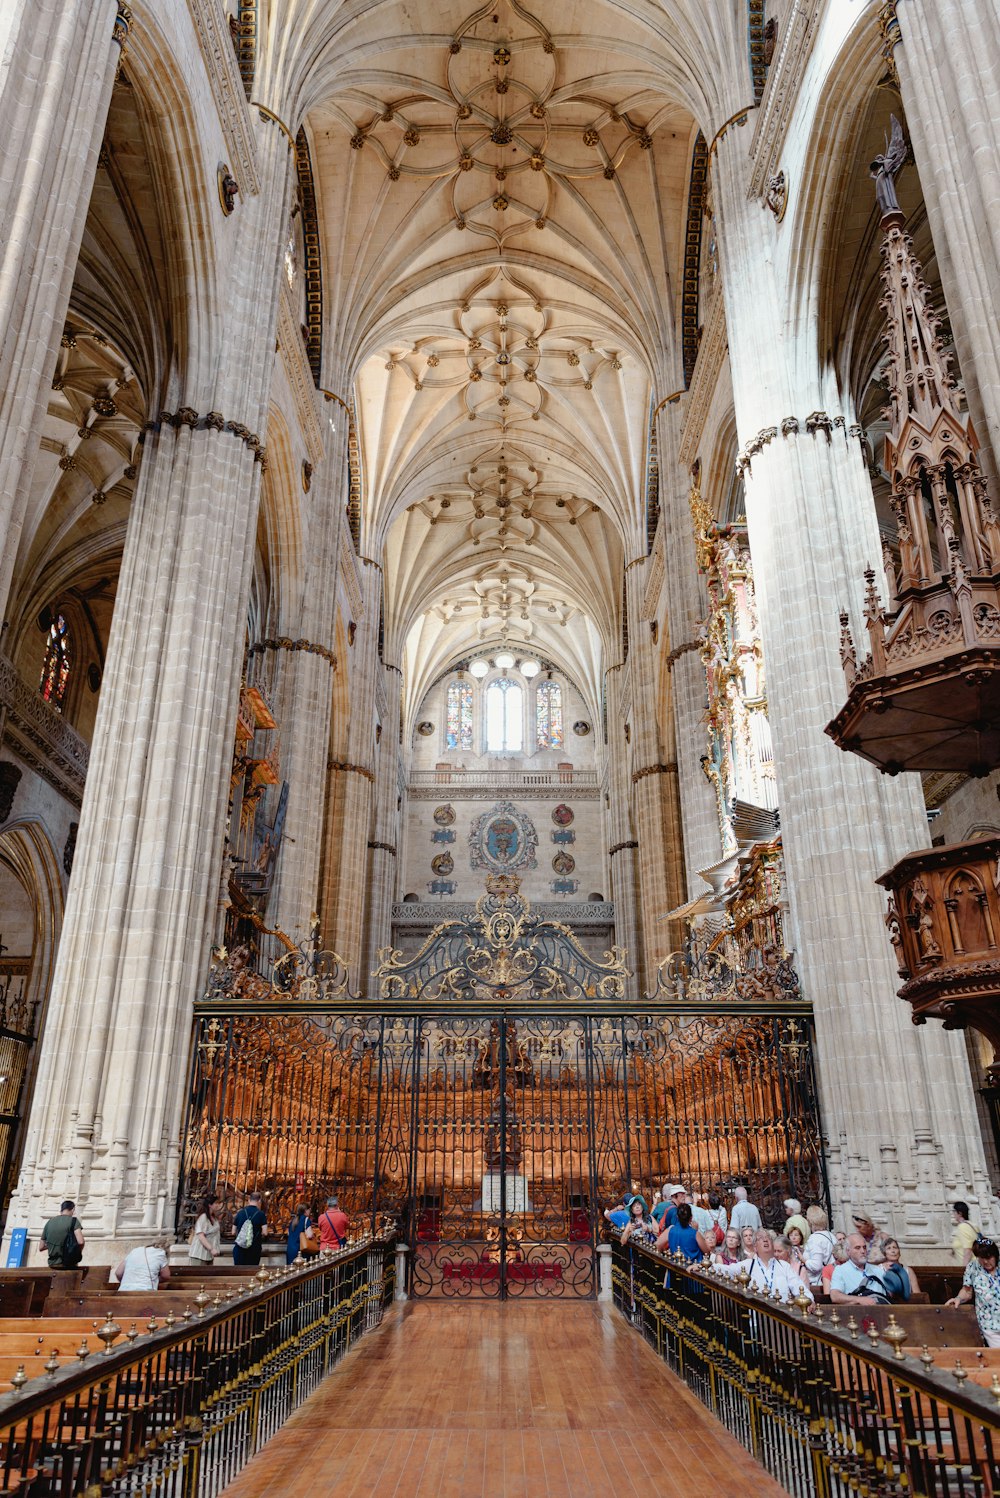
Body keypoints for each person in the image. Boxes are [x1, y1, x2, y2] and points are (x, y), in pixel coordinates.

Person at [718, 1229, 813, 1304]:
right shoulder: (748, 1265)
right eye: (760, 1238)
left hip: (782, 1318)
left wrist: (810, 1300)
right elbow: (726, 1270)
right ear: (755, 1247)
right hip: (758, 1319)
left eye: (768, 1237)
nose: (765, 1240)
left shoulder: (784, 1266)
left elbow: (799, 1287)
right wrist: (705, 1264)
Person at [947, 1237, 1000, 1345]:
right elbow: (967, 1291)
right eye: (981, 1258)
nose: (985, 1261)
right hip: (990, 1325)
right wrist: (958, 1298)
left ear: (995, 1255)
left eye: (988, 1257)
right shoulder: (973, 1268)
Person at [830, 1233, 889, 1304]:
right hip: (856, 1312)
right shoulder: (841, 1271)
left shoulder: (878, 1270)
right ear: (848, 1251)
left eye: (864, 1247)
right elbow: (835, 1296)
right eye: (857, 1248)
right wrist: (859, 1300)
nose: (863, 1251)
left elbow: (890, 1294)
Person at [40, 1200, 84, 1269]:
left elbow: (41, 1247)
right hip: (69, 1264)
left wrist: (54, 1245)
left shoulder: (50, 1222)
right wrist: (77, 1252)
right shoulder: (74, 1221)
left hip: (52, 1264)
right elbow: (81, 1242)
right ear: (73, 1209)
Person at [803, 1205, 837, 1286]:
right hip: (832, 1279)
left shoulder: (814, 1239)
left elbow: (816, 1266)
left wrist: (803, 1260)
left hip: (819, 1282)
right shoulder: (831, 1235)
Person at [878, 1236, 919, 1301]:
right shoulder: (879, 1269)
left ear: (899, 1252)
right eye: (889, 1248)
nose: (893, 1251)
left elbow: (918, 1295)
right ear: (884, 1253)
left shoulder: (908, 1270)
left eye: (895, 1247)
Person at [233, 1192, 269, 1266]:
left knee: (238, 1272)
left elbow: (233, 1232)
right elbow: (265, 1232)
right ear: (259, 1201)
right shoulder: (261, 1214)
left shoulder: (240, 1213)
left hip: (240, 1248)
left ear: (249, 1200)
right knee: (251, 1271)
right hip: (254, 1249)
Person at [189, 1192, 221, 1263]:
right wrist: (211, 1249)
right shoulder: (203, 1217)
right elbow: (201, 1236)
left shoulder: (214, 1218)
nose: (218, 1205)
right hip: (199, 1254)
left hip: (208, 1255)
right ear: (210, 1205)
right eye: (216, 1203)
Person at [952, 1201, 979, 1266]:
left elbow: (968, 1249)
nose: (953, 1214)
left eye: (954, 1211)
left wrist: (964, 1270)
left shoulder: (962, 1227)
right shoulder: (973, 1225)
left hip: (971, 1268)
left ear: (960, 1213)